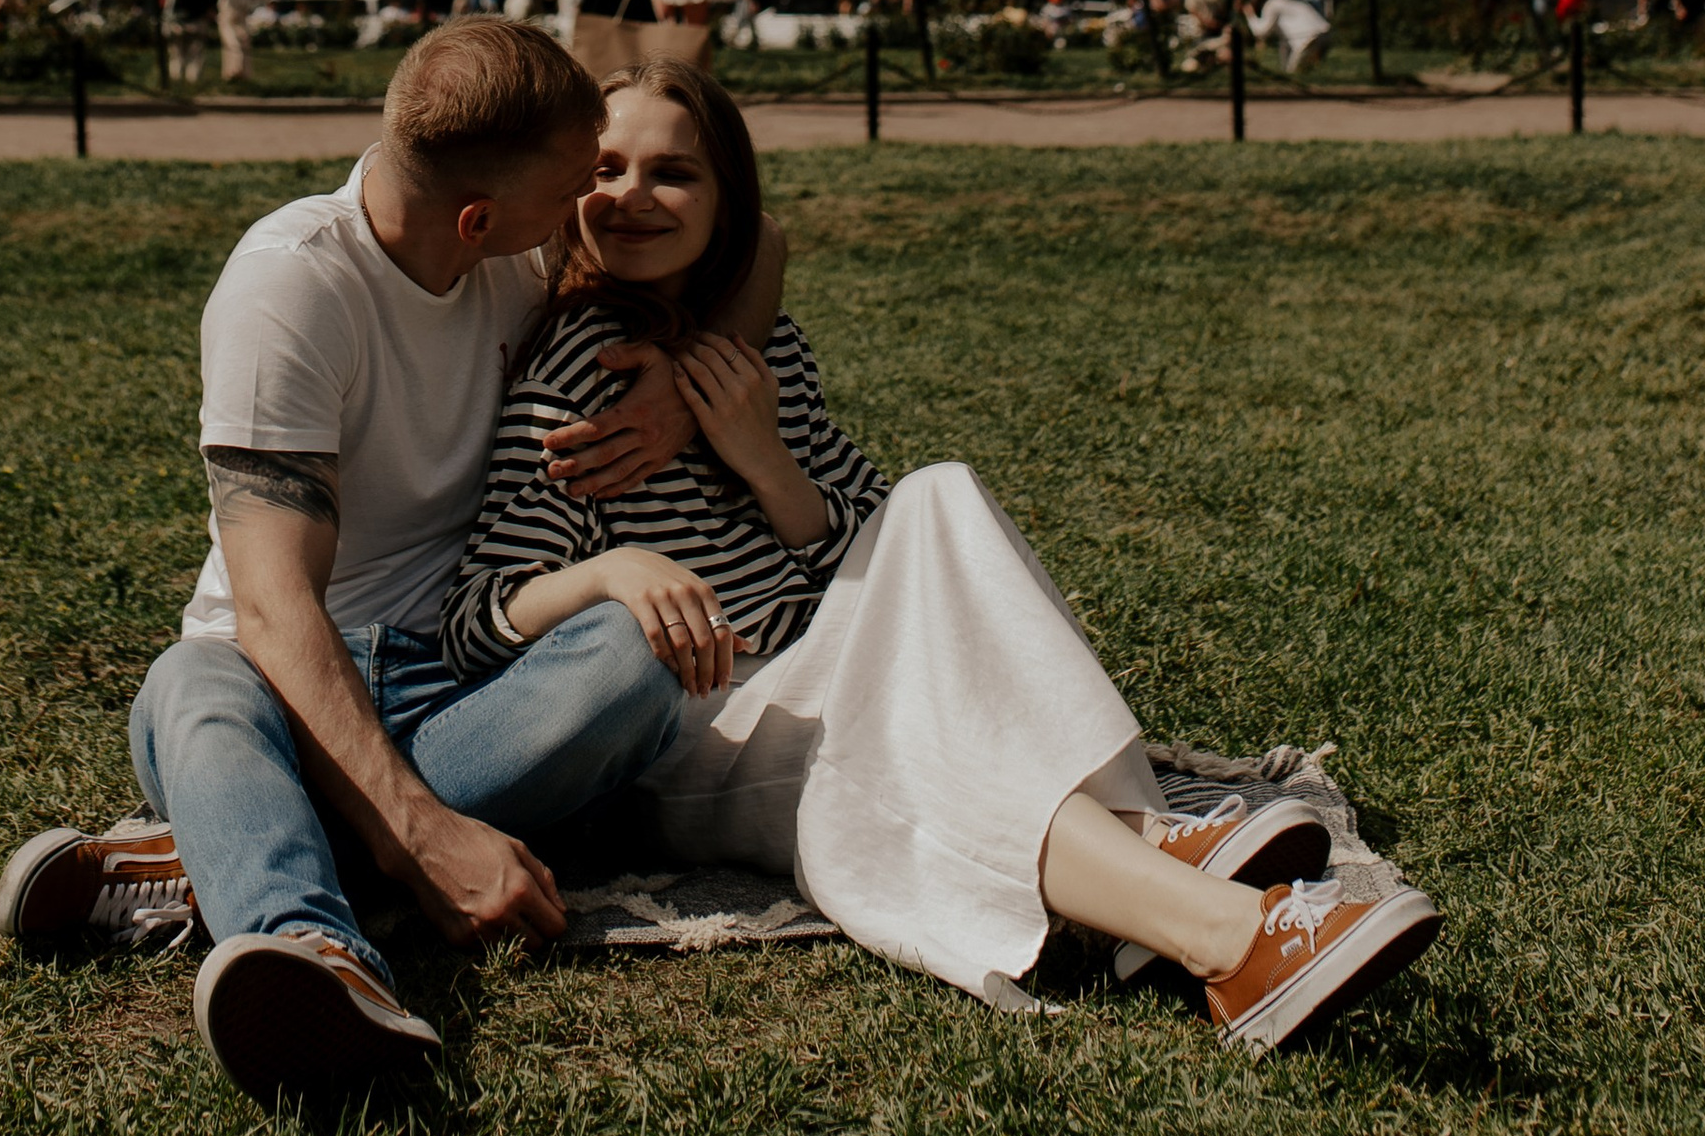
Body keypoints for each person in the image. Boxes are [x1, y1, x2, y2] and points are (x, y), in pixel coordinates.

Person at [441, 70, 1441, 1051]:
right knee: (912, 746)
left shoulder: (762, 352)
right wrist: (610, 575)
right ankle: (1219, 928)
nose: (630, 196)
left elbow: (892, 553)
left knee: (939, 494)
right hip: (700, 717)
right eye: (605, 168)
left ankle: (1146, 870)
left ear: (726, 200)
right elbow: (475, 616)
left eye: (674, 174)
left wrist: (764, 461)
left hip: (824, 657)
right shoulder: (570, 372)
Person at [0, 19, 790, 1108]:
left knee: (632, 650)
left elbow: (766, 240)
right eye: (573, 191)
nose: (591, 214)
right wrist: (426, 840)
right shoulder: (292, 288)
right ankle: (317, 959)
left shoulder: (510, 245)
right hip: (275, 681)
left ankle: (215, 853)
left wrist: (677, 400)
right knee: (191, 681)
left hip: (465, 687)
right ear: (481, 220)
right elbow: (273, 612)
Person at [208, 0, 275, 82]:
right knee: (232, 44)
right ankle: (232, 74)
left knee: (244, 44)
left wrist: (251, 5)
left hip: (242, 14)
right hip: (226, 15)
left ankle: (244, 76)